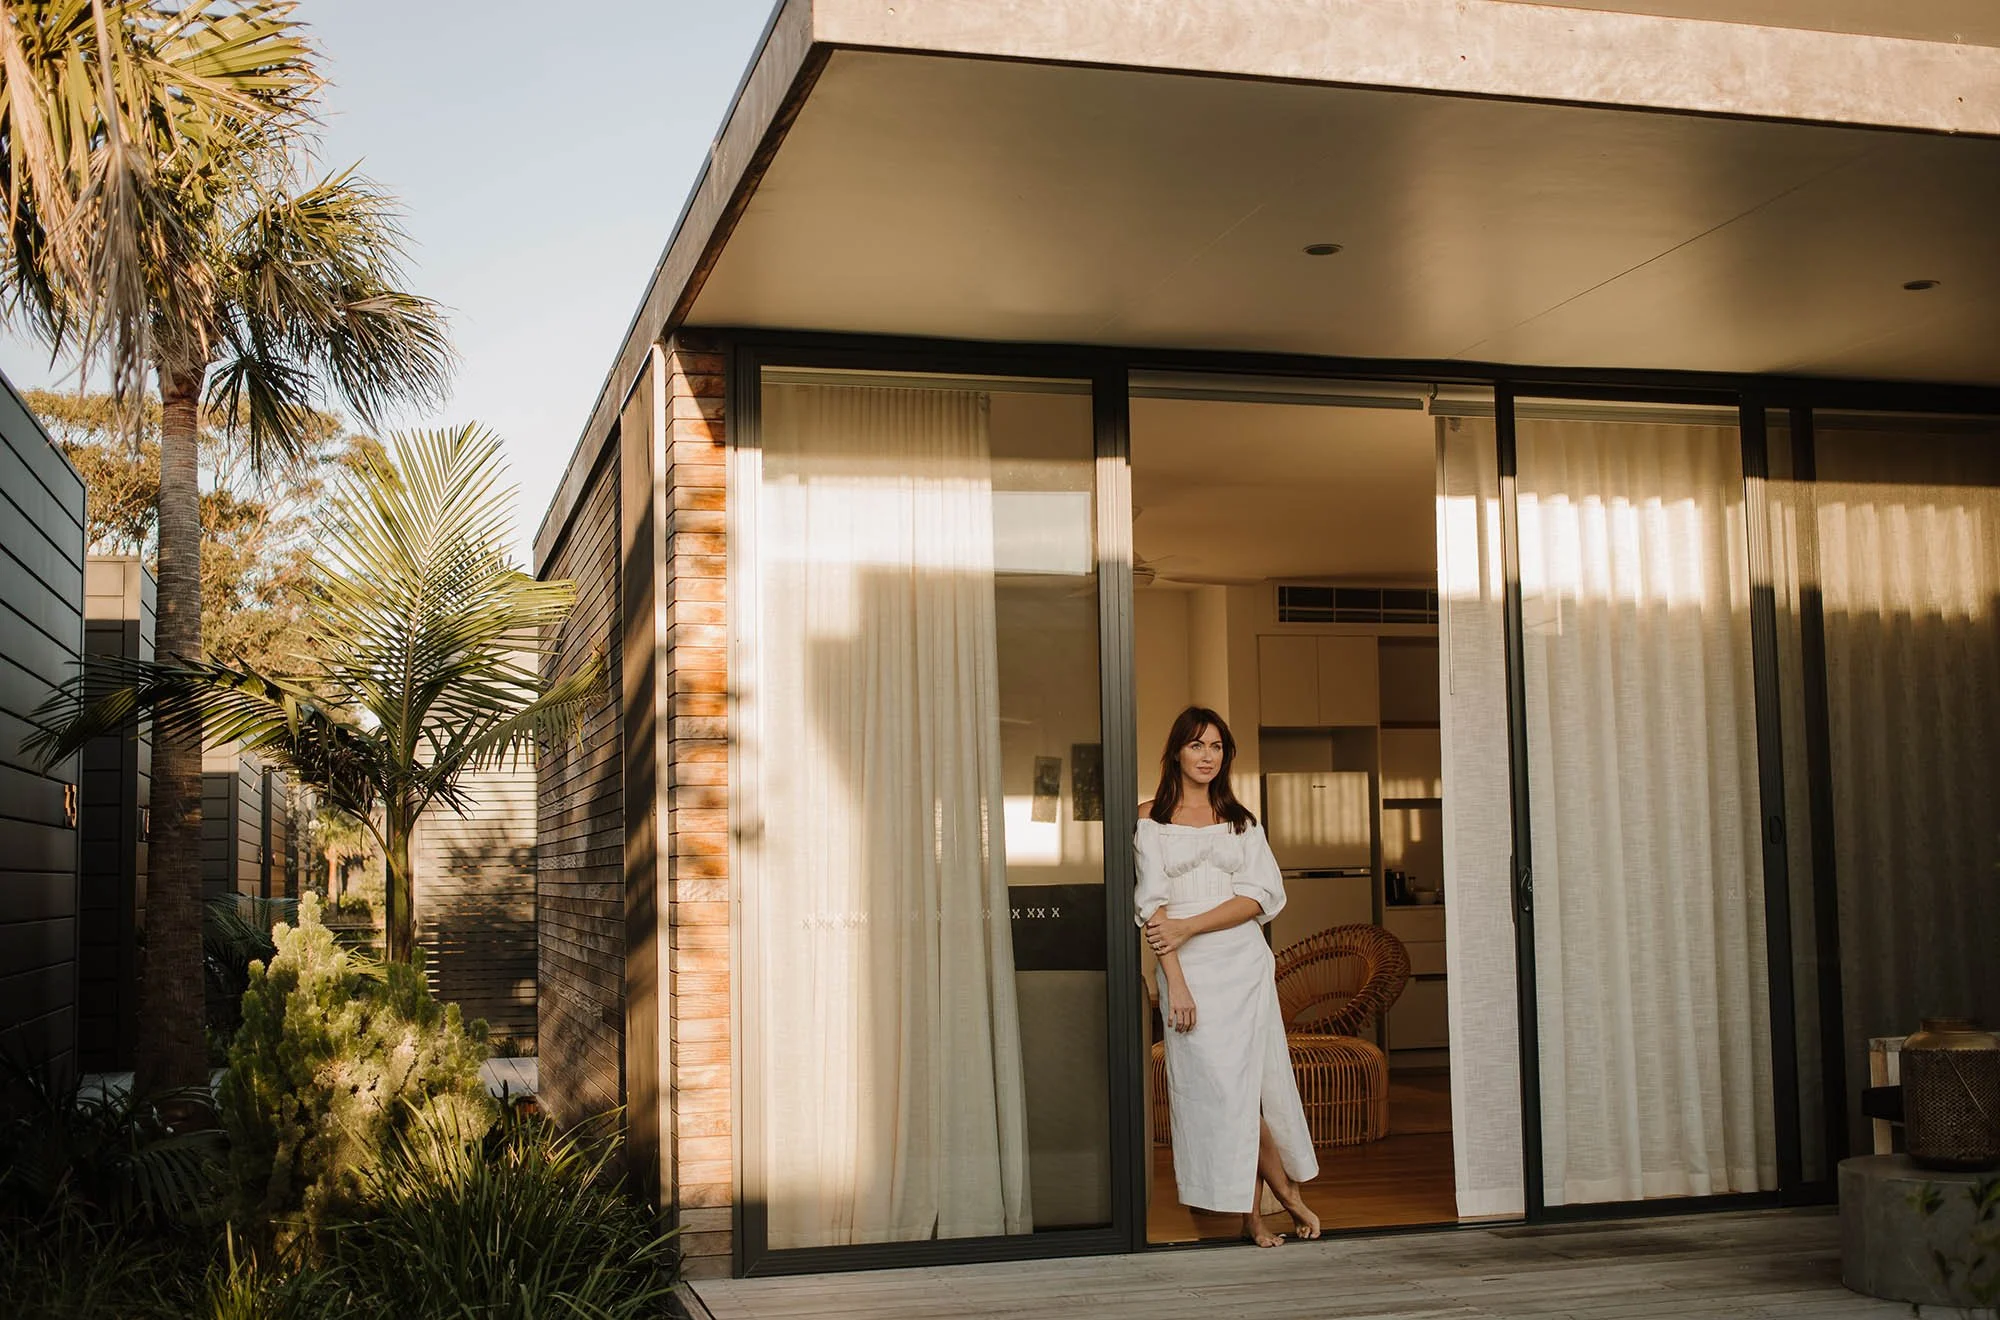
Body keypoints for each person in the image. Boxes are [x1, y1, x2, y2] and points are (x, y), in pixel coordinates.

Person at [1137, 705, 1321, 1247]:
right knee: (1217, 1091)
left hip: (1243, 964)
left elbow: (1261, 896)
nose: (1207, 757)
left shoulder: (1241, 820)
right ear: (1176, 751)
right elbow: (1151, 908)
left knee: (1247, 1091)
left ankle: (1259, 1212)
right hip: (1187, 970)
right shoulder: (1150, 817)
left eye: (1216, 747)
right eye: (1197, 745)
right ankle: (1284, 1196)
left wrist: (1190, 925)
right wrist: (1177, 981)